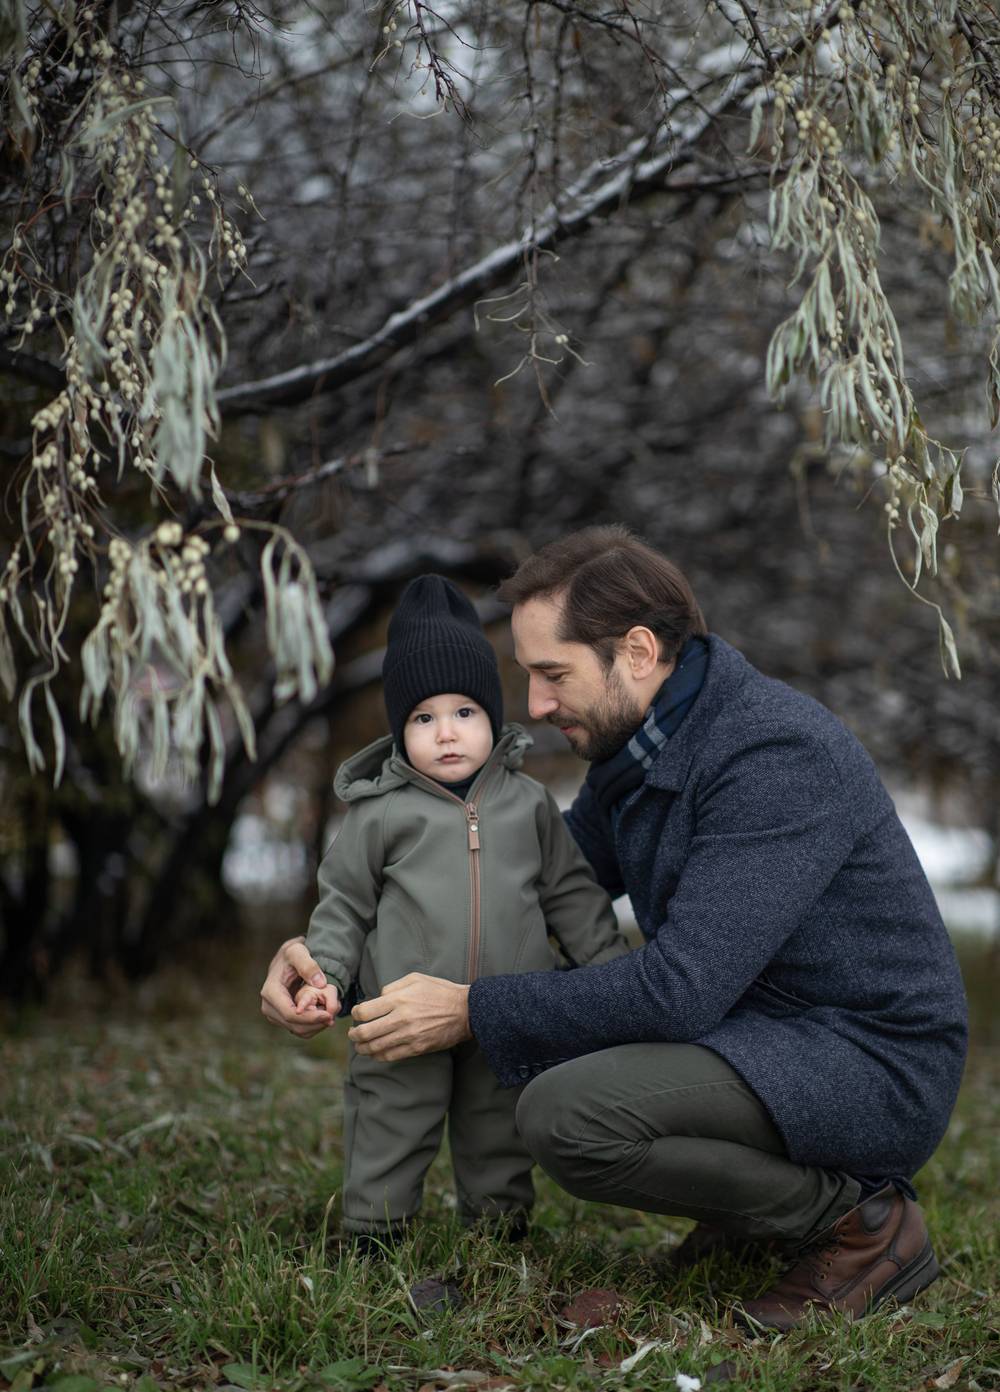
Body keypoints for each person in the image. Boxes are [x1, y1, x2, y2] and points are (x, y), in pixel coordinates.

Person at [262, 529, 968, 1332]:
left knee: (566, 1114)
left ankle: (860, 1226)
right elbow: (523, 878)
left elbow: (678, 990)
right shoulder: (641, 752)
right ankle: (756, 1215)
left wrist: (470, 1009)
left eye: (553, 673)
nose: (534, 704)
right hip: (765, 1033)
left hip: (867, 1061)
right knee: (563, 1046)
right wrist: (322, 959)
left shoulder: (774, 753)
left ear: (636, 651)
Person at [288, 573, 628, 1252]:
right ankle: (374, 1231)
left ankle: (499, 1231)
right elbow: (343, 904)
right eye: (423, 718)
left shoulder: (528, 805)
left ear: (492, 715)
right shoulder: (380, 813)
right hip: (400, 1011)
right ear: (399, 727)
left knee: (499, 1122)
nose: (447, 733)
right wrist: (324, 976)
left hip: (507, 1006)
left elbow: (571, 895)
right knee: (391, 1115)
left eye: (465, 712)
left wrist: (609, 969)